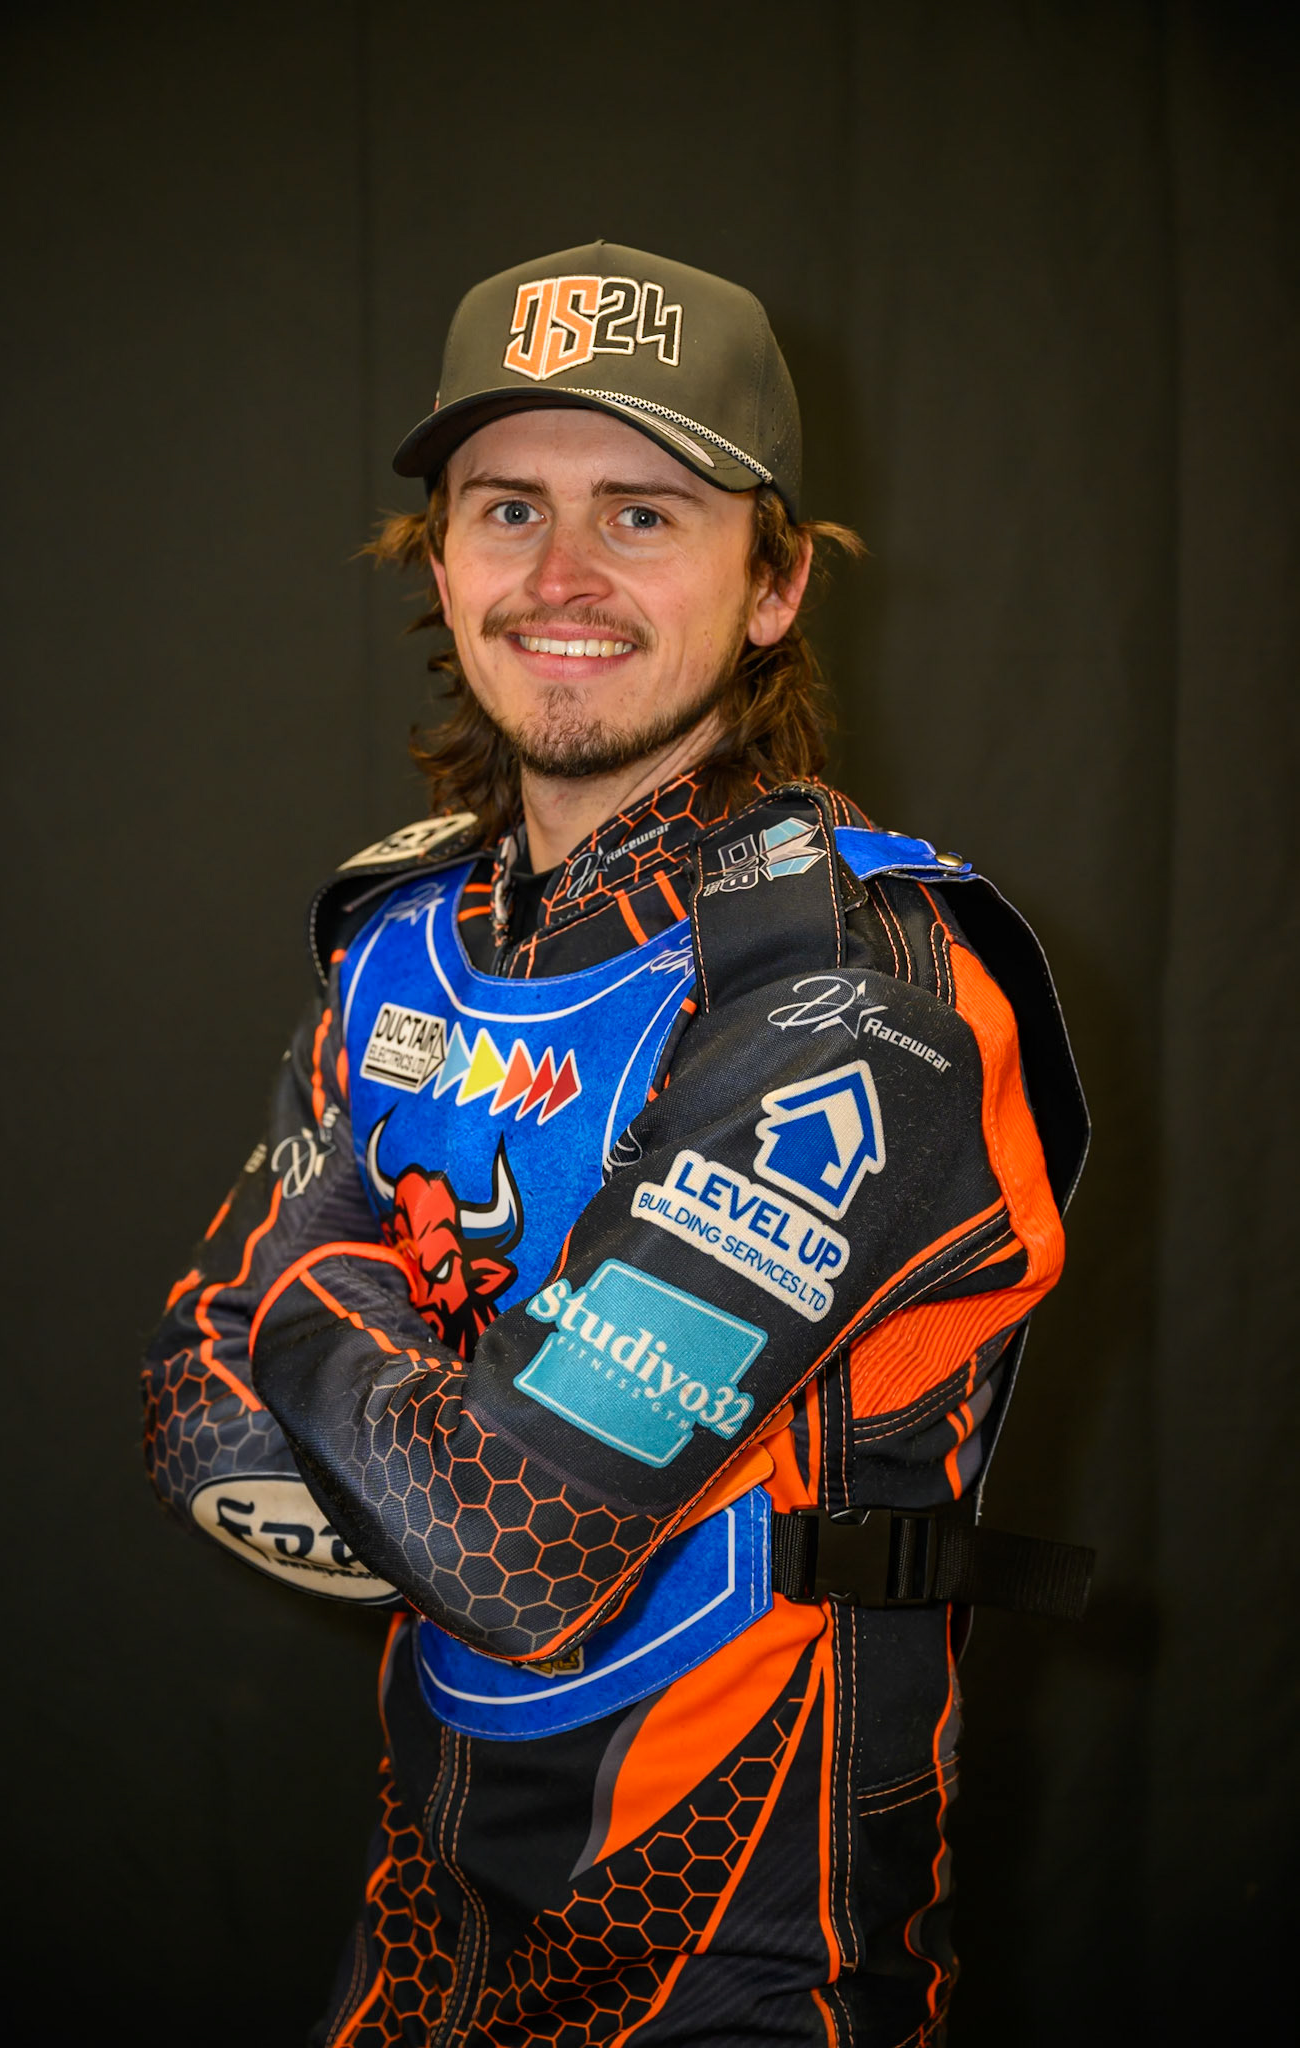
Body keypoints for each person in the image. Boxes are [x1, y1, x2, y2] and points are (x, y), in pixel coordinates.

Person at [144, 241, 1089, 2047]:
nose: (561, 577)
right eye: (509, 507)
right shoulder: (408, 930)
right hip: (416, 1935)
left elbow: (496, 1546)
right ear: (441, 556)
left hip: (741, 1969)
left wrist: (320, 1296)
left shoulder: (862, 996)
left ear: (773, 583)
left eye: (644, 516)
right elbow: (190, 1417)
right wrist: (407, 1428)